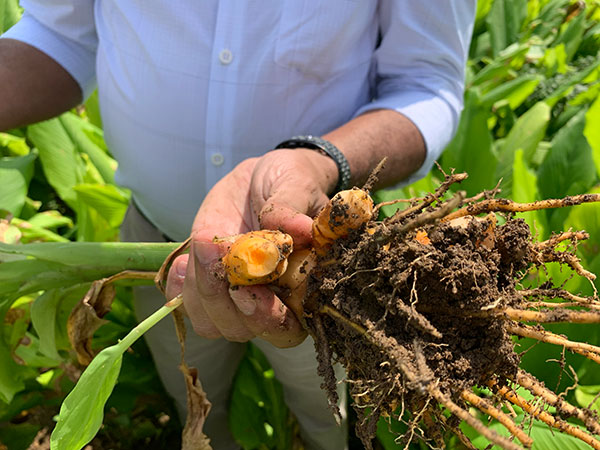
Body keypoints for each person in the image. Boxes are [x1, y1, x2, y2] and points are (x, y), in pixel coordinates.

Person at [0, 2, 475, 448]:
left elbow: (424, 81)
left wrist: (320, 160)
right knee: (196, 403)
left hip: (330, 274)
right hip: (162, 254)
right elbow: (57, 36)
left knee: (326, 411)